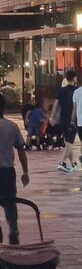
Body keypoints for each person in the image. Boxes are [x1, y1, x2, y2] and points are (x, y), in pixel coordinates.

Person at [0, 93, 29, 244]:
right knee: (10, 203)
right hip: (7, 171)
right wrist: (25, 172)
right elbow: (21, 150)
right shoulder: (12, 126)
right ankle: (13, 229)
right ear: (3, 108)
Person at [51, 68, 78, 172]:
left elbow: (56, 104)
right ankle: (61, 162)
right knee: (69, 142)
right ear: (74, 78)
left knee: (68, 141)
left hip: (63, 119)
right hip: (72, 119)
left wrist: (52, 116)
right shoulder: (76, 90)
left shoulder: (61, 90)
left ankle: (73, 163)